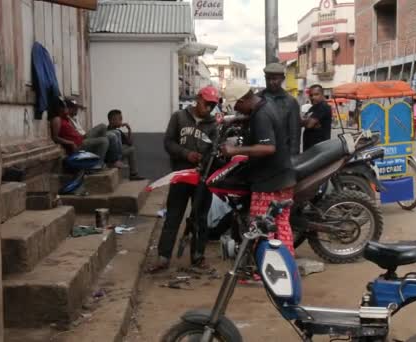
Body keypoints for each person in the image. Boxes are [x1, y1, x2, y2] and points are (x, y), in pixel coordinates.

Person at [221, 80, 296, 256]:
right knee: (281, 224)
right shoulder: (264, 107)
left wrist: (234, 150)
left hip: (269, 181)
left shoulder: (262, 115)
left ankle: (264, 267)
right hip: (282, 176)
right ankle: (285, 265)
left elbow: (268, 147)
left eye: (237, 107)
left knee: (261, 227)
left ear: (242, 100)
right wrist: (238, 120)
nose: (237, 110)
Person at [150, 86, 220, 272]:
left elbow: (215, 151)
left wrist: (204, 160)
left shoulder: (214, 125)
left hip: (203, 178)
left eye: (213, 105)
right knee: (173, 215)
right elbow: (168, 142)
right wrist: (185, 153)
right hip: (181, 174)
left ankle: (198, 257)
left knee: (200, 218)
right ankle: (163, 257)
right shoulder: (179, 117)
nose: (209, 108)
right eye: (207, 104)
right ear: (198, 99)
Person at [64, 97, 124, 168]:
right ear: (68, 109)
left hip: (86, 137)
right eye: (74, 108)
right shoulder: (67, 120)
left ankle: (116, 160)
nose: (77, 109)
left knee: (116, 133)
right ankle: (113, 161)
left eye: (76, 107)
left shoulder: (75, 118)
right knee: (104, 128)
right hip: (82, 139)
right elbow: (72, 135)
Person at [49, 97, 109, 167]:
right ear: (60, 108)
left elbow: (73, 129)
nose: (66, 109)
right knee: (104, 141)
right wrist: (70, 143)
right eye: (65, 107)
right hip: (78, 145)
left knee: (103, 126)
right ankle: (97, 164)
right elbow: (55, 137)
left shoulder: (65, 118)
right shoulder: (57, 119)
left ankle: (98, 157)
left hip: (81, 139)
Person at [258, 63, 301, 155]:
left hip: (281, 153)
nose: (270, 82)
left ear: (282, 79)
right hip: (260, 151)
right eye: (268, 79)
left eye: (274, 79)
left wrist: (294, 156)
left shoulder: (291, 102)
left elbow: (295, 133)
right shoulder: (258, 98)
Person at [107, 109, 145, 180]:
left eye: (121, 119)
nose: (121, 121)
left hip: (118, 155)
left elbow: (130, 143)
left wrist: (129, 130)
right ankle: (115, 162)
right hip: (110, 158)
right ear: (112, 120)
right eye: (120, 119)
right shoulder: (107, 132)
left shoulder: (119, 131)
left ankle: (133, 174)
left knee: (131, 149)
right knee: (126, 146)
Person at [302, 84, 332, 151]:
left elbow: (309, 125)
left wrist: (306, 121)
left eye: (316, 94)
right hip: (310, 147)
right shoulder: (312, 108)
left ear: (322, 95)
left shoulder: (323, 106)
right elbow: (304, 122)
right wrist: (307, 121)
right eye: (311, 95)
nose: (313, 97)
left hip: (319, 148)